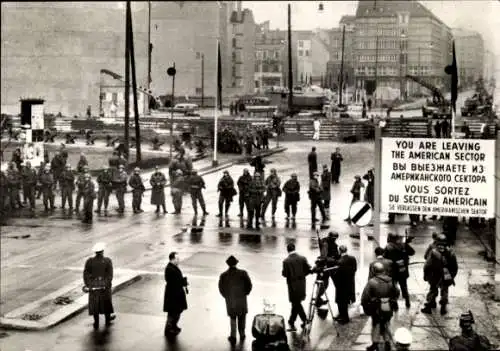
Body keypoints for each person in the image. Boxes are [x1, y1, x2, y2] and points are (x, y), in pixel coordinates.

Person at [361, 262, 400, 351]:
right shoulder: (391, 280)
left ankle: (375, 343)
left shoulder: (372, 282)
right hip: (388, 306)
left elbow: (365, 297)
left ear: (374, 271)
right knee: (387, 323)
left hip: (376, 307)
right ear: (383, 271)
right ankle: (387, 343)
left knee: (376, 324)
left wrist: (366, 307)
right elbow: (397, 293)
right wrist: (392, 301)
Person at [218, 255, 253, 345]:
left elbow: (221, 288)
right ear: (236, 263)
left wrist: (226, 296)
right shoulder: (243, 273)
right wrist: (246, 293)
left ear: (228, 265)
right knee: (242, 317)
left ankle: (233, 336)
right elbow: (249, 285)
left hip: (231, 300)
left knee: (233, 318)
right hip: (241, 299)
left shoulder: (223, 275)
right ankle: (242, 334)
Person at [421, 234, 458, 315]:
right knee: (444, 291)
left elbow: (427, 264)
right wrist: (451, 276)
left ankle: (430, 305)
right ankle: (443, 307)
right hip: (446, 274)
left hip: (434, 274)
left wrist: (425, 274)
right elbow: (454, 268)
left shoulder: (433, 252)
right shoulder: (451, 253)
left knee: (433, 290)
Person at [83, 242, 115, 329]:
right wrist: (106, 284)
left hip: (93, 286)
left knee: (95, 305)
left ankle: (96, 322)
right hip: (104, 286)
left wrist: (89, 285)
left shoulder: (89, 261)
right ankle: (107, 319)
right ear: (102, 251)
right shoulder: (107, 261)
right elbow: (110, 275)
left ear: (95, 252)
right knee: (106, 303)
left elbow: (86, 274)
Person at [282, 243, 311, 331]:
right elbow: (308, 270)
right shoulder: (302, 258)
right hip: (302, 283)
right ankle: (292, 320)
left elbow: (285, 274)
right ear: (294, 248)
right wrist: (302, 276)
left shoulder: (286, 261)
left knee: (296, 303)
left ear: (288, 250)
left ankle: (305, 319)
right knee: (296, 302)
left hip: (292, 284)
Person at [384, 233, 415, 309]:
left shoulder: (388, 247)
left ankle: (395, 303)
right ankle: (407, 300)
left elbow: (385, 257)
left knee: (394, 287)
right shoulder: (404, 245)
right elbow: (412, 252)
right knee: (404, 286)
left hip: (393, 271)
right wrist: (406, 244)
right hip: (402, 270)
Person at [163, 252, 188, 336]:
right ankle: (168, 329)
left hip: (176, 294)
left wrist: (183, 281)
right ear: (172, 259)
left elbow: (177, 280)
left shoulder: (173, 267)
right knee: (172, 313)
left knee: (177, 311)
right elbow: (173, 282)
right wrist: (183, 282)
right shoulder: (170, 269)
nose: (179, 260)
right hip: (173, 296)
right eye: (177, 259)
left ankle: (174, 326)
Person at [333, 245, 357, 324]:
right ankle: (343, 316)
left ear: (340, 251)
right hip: (350, 283)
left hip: (341, 285)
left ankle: (344, 318)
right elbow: (354, 269)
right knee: (346, 301)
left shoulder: (339, 261)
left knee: (341, 302)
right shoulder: (352, 258)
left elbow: (336, 275)